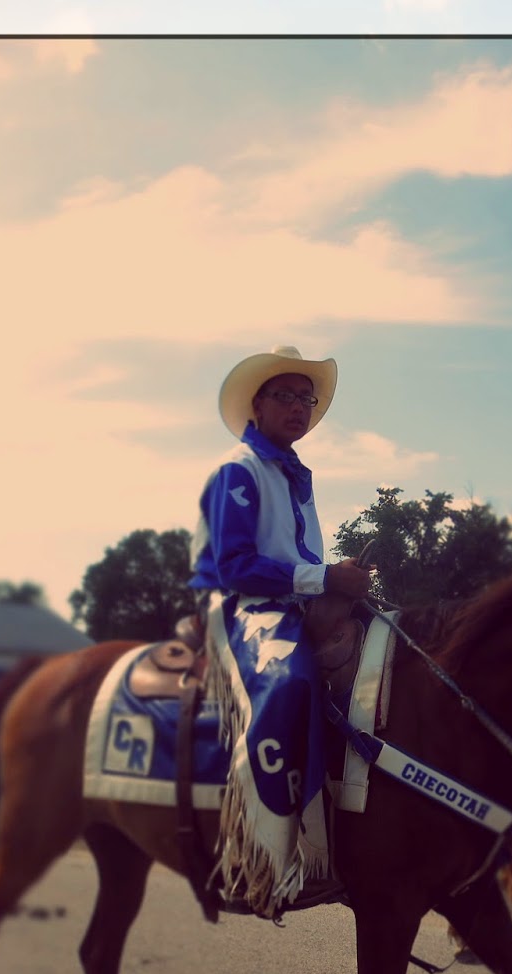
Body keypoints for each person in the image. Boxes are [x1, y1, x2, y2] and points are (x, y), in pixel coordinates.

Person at [188, 345, 372, 919]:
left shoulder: (296, 477)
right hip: (238, 605)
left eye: (306, 399)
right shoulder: (237, 472)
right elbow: (235, 565)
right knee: (289, 684)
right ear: (258, 404)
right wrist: (323, 578)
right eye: (286, 396)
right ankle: (259, 861)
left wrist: (340, 585)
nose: (299, 407)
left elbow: (301, 558)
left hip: (291, 603)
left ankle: (350, 837)